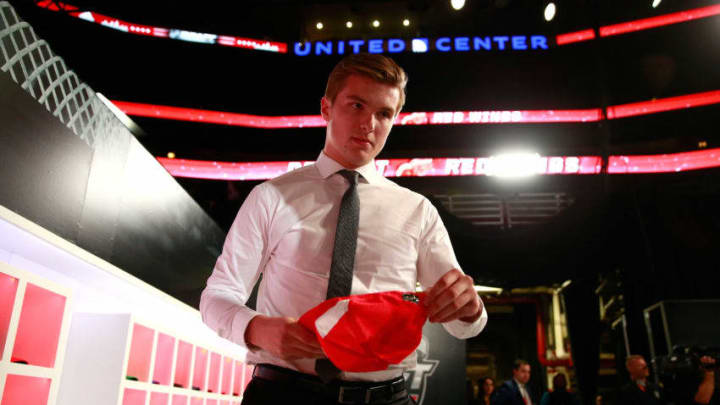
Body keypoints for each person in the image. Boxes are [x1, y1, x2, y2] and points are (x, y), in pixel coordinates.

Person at [199, 53, 488, 405]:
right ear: (326, 108)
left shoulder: (418, 211)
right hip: (283, 393)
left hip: (386, 396)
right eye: (356, 105)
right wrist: (257, 328)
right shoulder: (271, 196)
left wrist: (469, 306)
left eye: (384, 114)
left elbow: (463, 323)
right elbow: (217, 297)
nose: (369, 123)